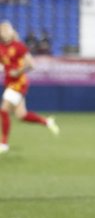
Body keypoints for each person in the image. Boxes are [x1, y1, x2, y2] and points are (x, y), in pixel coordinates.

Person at [0, 21, 59, 154]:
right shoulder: (1, 48)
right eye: (2, 30)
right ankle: (46, 122)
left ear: (11, 31)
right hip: (9, 83)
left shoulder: (19, 46)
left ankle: (3, 143)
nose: (3, 32)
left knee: (3, 110)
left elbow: (31, 64)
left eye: (6, 29)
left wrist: (18, 72)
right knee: (21, 115)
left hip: (19, 82)